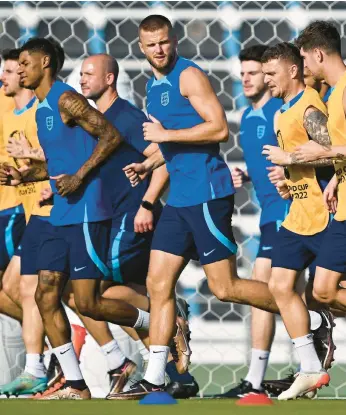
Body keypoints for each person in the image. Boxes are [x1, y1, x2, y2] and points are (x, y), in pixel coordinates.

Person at [0, 37, 151, 400]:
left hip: (85, 211)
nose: (19, 69)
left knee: (87, 302)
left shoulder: (66, 99)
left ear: (45, 63)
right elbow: (58, 167)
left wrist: (80, 177)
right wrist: (27, 176)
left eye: (25, 62)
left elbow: (110, 135)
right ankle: (75, 383)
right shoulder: (40, 110)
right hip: (58, 214)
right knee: (45, 294)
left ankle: (160, 321)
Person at [78, 53, 197, 399]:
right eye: (81, 74)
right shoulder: (93, 119)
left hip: (131, 219)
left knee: (95, 293)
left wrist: (146, 204)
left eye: (89, 74)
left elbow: (162, 161)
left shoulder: (126, 117)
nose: (82, 80)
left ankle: (161, 325)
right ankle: (171, 368)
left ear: (110, 78)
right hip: (107, 220)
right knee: (103, 294)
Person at [261, 42, 335, 400]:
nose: (266, 81)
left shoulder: (308, 107)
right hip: (297, 214)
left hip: (324, 213)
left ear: (293, 70)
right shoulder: (280, 112)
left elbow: (331, 156)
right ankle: (310, 368)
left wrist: (287, 157)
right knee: (279, 285)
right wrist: (288, 181)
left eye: (271, 74)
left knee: (327, 291)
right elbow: (302, 164)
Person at [216, 44, 288, 398]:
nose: (245, 79)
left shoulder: (282, 110)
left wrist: (288, 172)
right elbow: (266, 164)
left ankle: (260, 379)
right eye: (242, 73)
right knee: (276, 292)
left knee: (269, 288)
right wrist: (245, 174)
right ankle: (258, 379)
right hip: (268, 214)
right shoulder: (247, 117)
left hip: (293, 212)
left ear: (269, 75)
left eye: (253, 73)